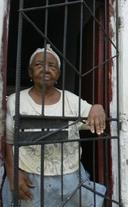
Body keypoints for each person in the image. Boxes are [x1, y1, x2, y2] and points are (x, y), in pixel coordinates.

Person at [3, 45, 106, 206]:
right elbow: (8, 141)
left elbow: (93, 112)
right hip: (29, 178)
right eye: (38, 65)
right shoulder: (15, 100)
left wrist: (98, 107)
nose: (45, 69)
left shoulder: (71, 100)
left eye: (52, 66)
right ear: (30, 72)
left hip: (69, 178)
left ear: (58, 74)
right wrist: (12, 171)